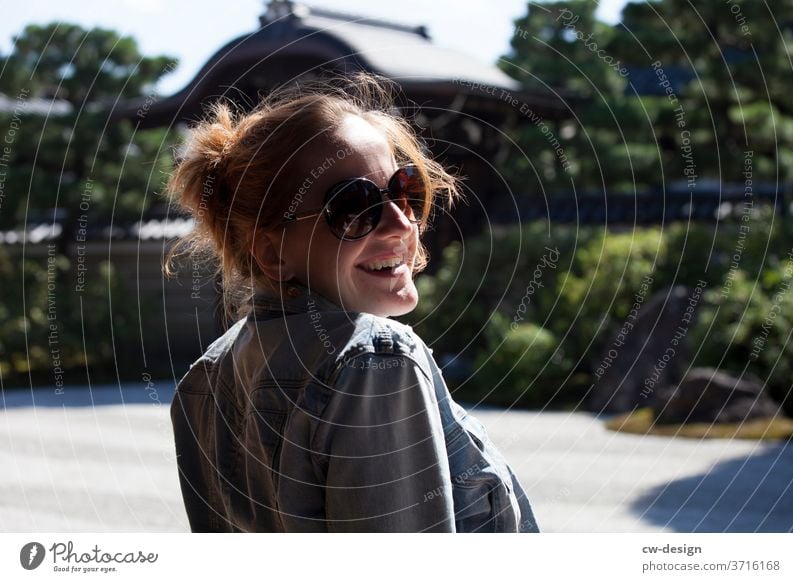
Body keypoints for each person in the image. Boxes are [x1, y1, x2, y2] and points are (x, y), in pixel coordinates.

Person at [165, 73, 539, 533]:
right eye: (354, 205)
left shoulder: (203, 381)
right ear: (273, 253)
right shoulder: (377, 359)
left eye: (405, 190)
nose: (401, 223)